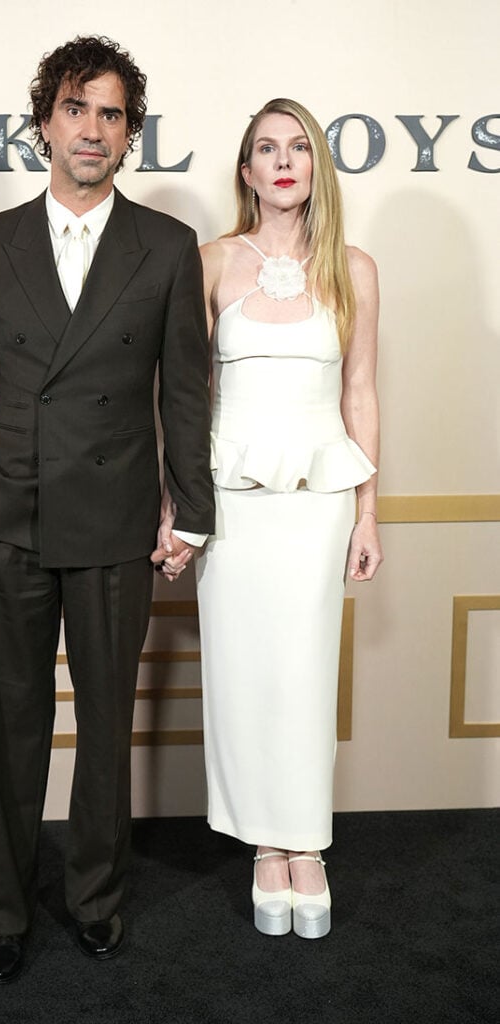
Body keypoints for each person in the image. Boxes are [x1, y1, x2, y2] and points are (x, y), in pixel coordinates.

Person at [0, 35, 214, 983]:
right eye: (75, 109)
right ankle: (2, 911)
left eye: (110, 114)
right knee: (6, 722)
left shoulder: (167, 248)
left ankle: (95, 898)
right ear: (44, 122)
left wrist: (193, 510)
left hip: (116, 521)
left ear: (129, 134)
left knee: (104, 727)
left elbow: (185, 393)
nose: (91, 129)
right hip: (8, 518)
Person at [195, 98, 383, 940]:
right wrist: (179, 505)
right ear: (244, 171)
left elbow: (360, 393)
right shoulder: (209, 263)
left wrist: (367, 514)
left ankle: (306, 844)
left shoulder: (355, 268)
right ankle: (264, 845)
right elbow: (186, 399)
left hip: (317, 504)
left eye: (297, 147)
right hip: (231, 503)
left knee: (305, 674)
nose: (282, 161)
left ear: (315, 167)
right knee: (242, 673)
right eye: (265, 149)